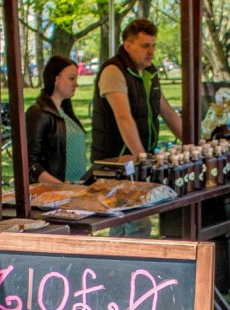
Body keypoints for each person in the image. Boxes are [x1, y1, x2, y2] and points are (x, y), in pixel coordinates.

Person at [92, 18, 182, 237]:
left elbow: (168, 112)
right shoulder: (114, 71)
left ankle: (122, 268)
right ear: (127, 45)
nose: (151, 51)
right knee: (133, 224)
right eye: (145, 46)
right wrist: (142, 160)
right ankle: (122, 269)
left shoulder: (149, 74)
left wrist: (195, 143)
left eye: (153, 46)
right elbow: (124, 118)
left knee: (134, 223)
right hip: (117, 161)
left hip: (137, 161)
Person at [25, 55, 87, 184]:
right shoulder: (39, 113)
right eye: (71, 78)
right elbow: (30, 163)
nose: (76, 84)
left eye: (76, 78)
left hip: (75, 190)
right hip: (54, 195)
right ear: (56, 79)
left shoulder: (65, 113)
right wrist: (59, 186)